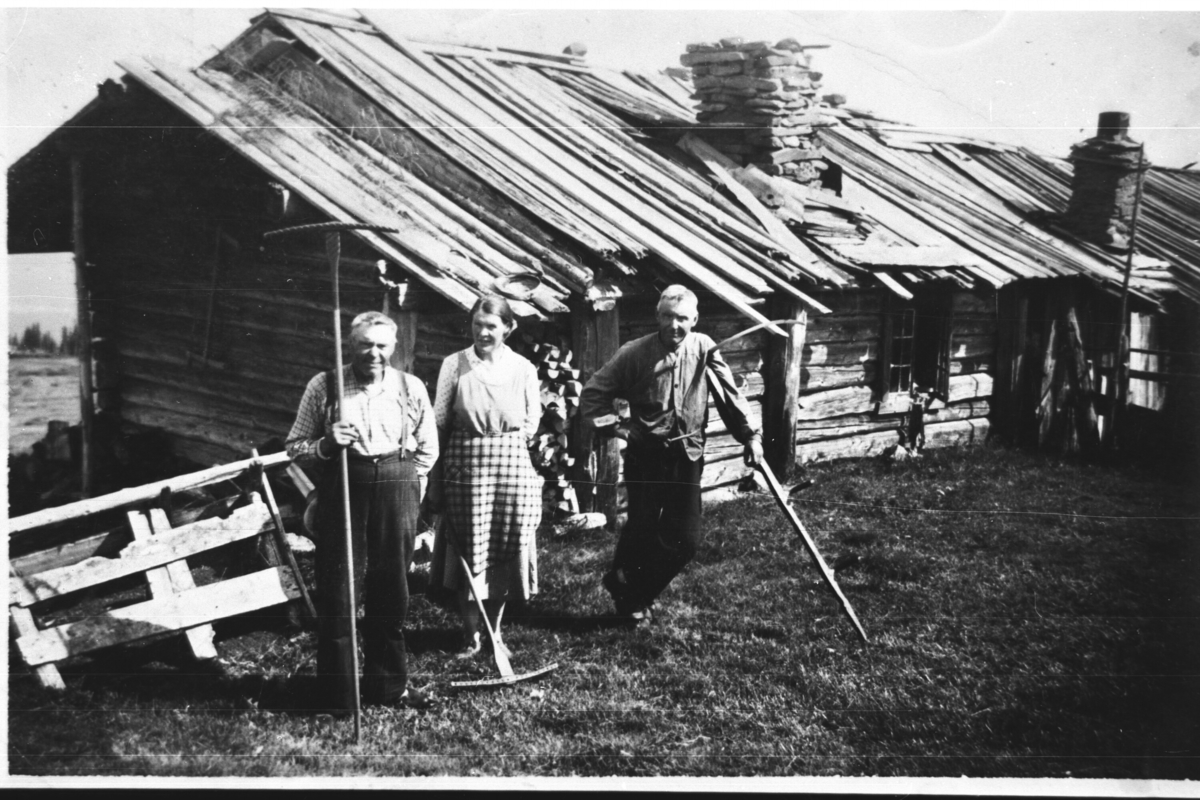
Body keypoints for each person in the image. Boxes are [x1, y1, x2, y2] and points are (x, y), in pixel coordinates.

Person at [580, 285, 764, 626]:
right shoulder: (634, 353)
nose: (674, 326)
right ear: (657, 316)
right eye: (667, 317)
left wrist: (750, 436)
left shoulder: (705, 348)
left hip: (687, 453)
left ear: (694, 319)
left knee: (686, 540)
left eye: (682, 318)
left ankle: (628, 587)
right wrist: (619, 428)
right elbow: (592, 395)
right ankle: (632, 597)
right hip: (646, 456)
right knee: (643, 530)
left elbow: (729, 395)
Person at [286, 310, 438, 712]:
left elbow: (428, 446)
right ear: (350, 345)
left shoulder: (411, 386)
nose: (374, 353)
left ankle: (388, 688)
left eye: (382, 345)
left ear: (394, 347)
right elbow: (294, 445)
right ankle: (337, 695)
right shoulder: (325, 385)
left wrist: (408, 484)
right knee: (339, 590)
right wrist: (325, 443)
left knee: (392, 586)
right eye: (365, 344)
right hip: (344, 485)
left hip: (396, 484)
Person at [428, 295, 542, 658]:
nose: (483, 332)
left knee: (506, 548)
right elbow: (440, 421)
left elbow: (531, 421)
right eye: (478, 324)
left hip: (511, 469)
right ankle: (471, 634)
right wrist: (437, 476)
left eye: (491, 326)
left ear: (508, 328)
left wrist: (506, 445)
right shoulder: (454, 365)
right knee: (469, 550)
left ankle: (495, 633)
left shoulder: (523, 368)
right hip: (465, 469)